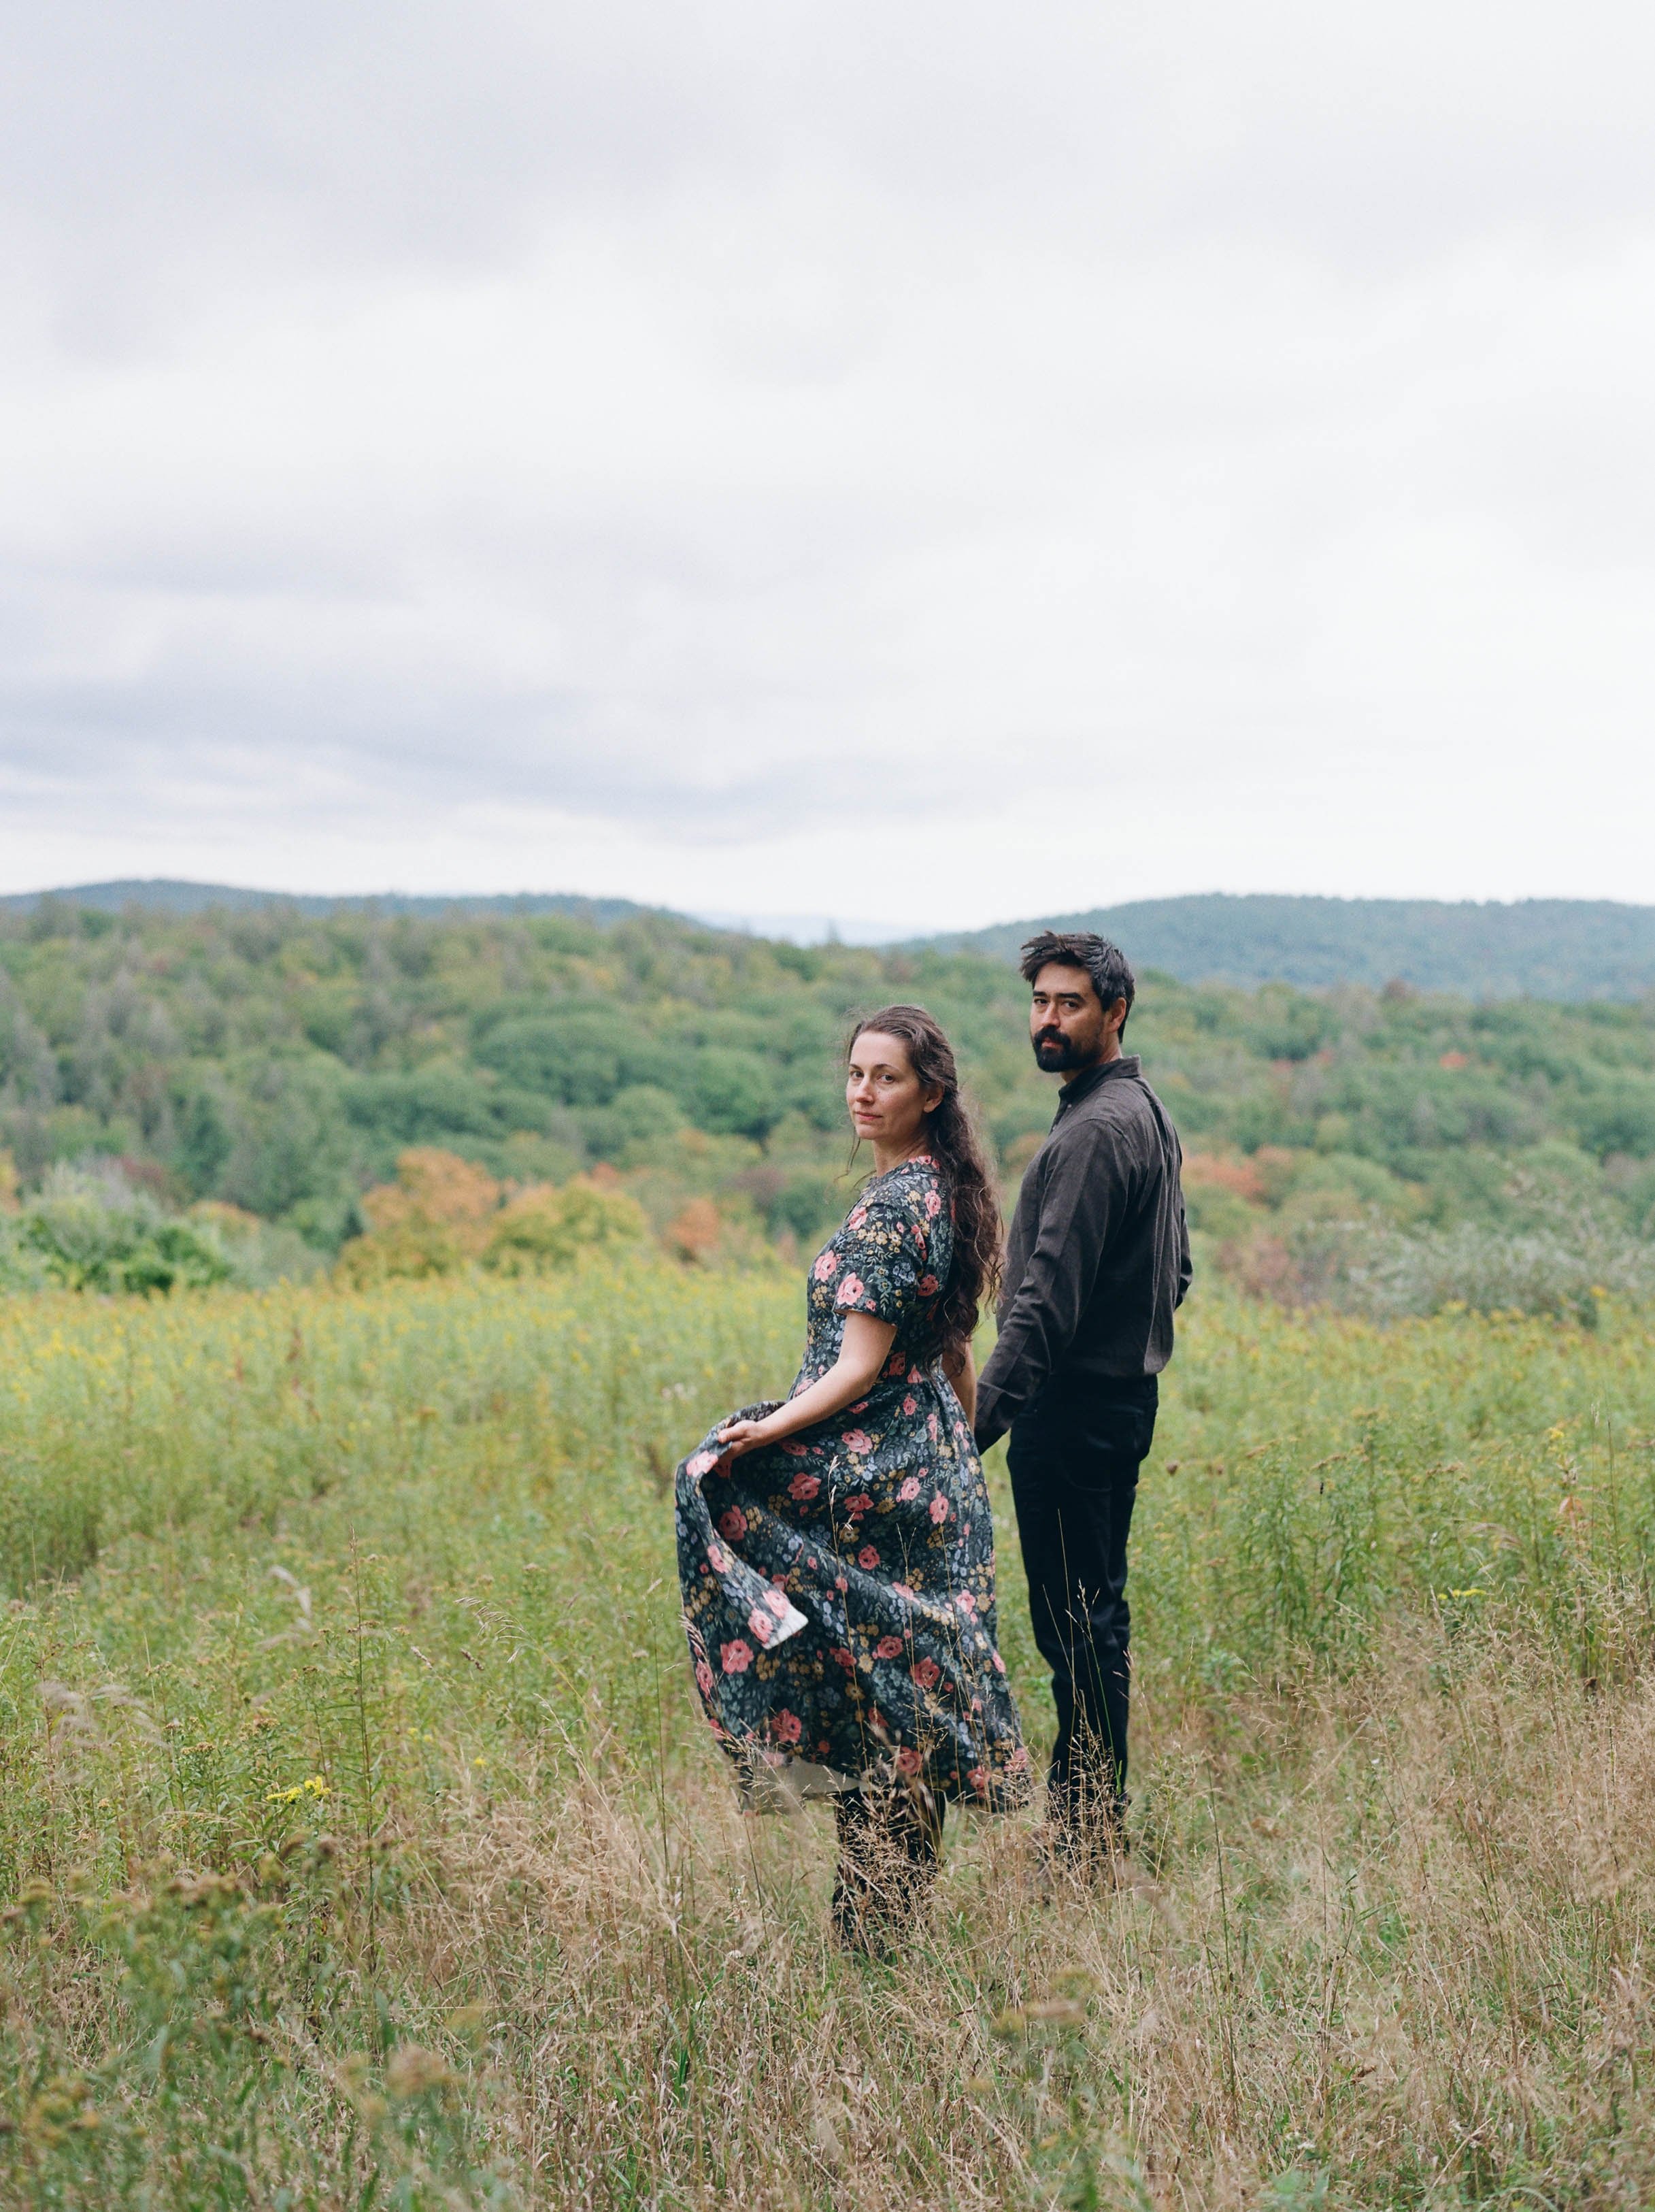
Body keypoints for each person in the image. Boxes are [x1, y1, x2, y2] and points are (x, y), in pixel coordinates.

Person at [675, 1005, 1029, 1952]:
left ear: (931, 1093)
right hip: (932, 1470)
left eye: (887, 1077)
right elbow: (954, 1358)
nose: (864, 1092)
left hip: (883, 1475)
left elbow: (858, 1366)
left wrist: (758, 1433)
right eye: (856, 1073)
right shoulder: (946, 1192)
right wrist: (960, 1457)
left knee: (874, 1694)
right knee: (906, 1691)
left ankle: (873, 1927)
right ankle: (888, 1918)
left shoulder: (887, 1208)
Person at [973, 931, 1190, 1869]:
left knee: (1073, 1623)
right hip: (1116, 1402)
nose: (1048, 1020)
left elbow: (1043, 1299)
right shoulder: (1136, 1110)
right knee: (1091, 1613)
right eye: (1039, 1003)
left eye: (1068, 1004)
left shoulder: (1099, 1128)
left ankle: (1085, 1838)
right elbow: (1173, 1271)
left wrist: (972, 1425)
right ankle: (1090, 1826)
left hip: (1072, 1410)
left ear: (1114, 1013)